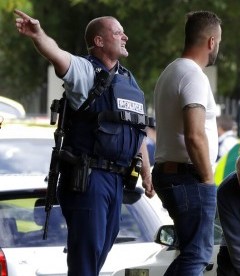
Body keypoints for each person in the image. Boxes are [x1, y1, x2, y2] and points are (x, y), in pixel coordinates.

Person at [14, 10, 155, 276]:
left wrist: (146, 174)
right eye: (117, 32)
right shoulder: (84, 70)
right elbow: (57, 54)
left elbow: (137, 131)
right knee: (87, 250)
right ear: (99, 41)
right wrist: (38, 34)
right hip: (89, 177)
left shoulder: (129, 80)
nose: (125, 36)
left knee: (103, 243)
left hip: (118, 179)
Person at [151, 10, 222, 275]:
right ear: (211, 42)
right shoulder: (193, 76)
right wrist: (208, 179)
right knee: (197, 254)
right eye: (219, 43)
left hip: (172, 172)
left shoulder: (171, 71)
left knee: (190, 252)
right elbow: (194, 134)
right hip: (188, 177)